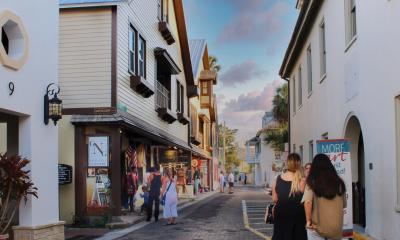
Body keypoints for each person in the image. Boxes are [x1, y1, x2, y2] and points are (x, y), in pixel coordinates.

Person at [303, 154, 346, 240]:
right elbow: (344, 205)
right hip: (336, 228)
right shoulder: (339, 182)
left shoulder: (312, 182)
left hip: (317, 228)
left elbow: (308, 202)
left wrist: (308, 221)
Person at [272, 153, 307, 240]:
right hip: (298, 216)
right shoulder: (303, 181)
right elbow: (307, 200)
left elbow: (275, 199)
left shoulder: (278, 179)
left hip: (281, 214)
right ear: (299, 163)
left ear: (287, 163)